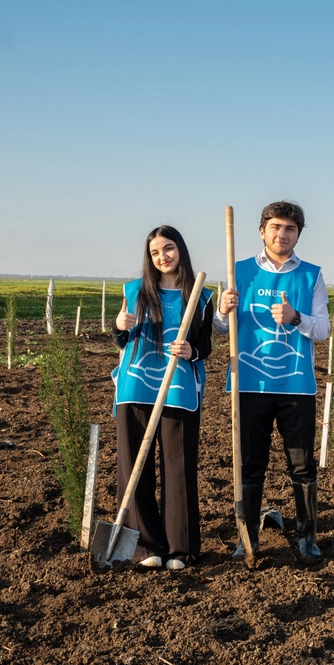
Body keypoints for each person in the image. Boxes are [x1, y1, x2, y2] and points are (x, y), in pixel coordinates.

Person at [214, 201, 331, 561]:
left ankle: (306, 538)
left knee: (302, 464)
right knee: (250, 463)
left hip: (296, 386)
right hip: (249, 385)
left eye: (291, 229)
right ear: (263, 230)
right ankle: (247, 537)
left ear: (298, 234)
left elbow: (323, 330)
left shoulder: (310, 275)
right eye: (276, 227)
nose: (283, 234)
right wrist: (222, 310)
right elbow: (220, 330)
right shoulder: (240, 272)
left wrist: (297, 318)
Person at [111, 225, 214, 570]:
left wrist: (191, 351)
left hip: (179, 390)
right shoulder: (135, 291)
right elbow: (123, 339)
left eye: (168, 249)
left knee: (178, 467)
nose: (162, 257)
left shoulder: (200, 296)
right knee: (134, 469)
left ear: (180, 250)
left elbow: (205, 347)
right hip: (136, 387)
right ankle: (144, 546)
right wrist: (119, 326)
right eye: (155, 252)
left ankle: (180, 548)